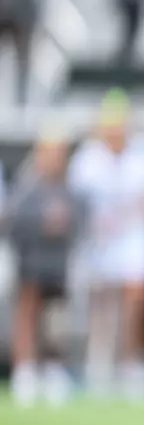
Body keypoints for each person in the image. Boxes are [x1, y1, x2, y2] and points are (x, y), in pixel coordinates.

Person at [68, 90, 144, 398]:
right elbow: (76, 203)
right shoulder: (87, 157)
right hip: (98, 241)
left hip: (135, 239)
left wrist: (141, 211)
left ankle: (131, 362)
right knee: (101, 302)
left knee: (136, 301)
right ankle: (99, 363)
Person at [5, 130, 87, 406]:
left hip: (59, 266)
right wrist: (42, 222)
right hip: (31, 262)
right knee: (27, 314)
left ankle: (53, 369)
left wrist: (63, 224)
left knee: (56, 322)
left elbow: (80, 221)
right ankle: (25, 368)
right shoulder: (28, 186)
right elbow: (13, 221)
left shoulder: (69, 189)